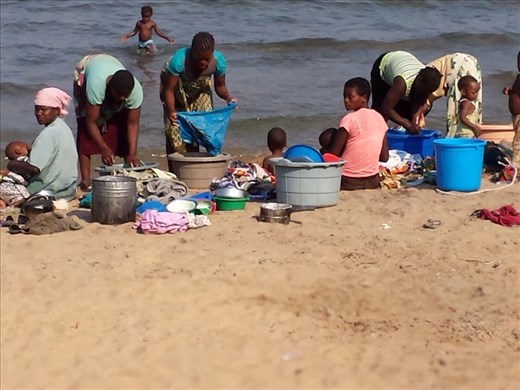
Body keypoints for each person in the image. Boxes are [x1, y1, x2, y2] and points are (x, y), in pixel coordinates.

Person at [73, 54, 143, 190]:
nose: (122, 98)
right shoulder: (96, 86)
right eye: (119, 96)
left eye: (125, 97)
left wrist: (132, 154)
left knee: (120, 124)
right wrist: (103, 148)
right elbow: (90, 122)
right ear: (110, 87)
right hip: (87, 68)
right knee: (84, 130)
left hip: (110, 67)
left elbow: (132, 124)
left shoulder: (136, 92)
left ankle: (126, 170)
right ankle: (85, 180)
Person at [160, 31, 237, 155]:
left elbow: (220, 86)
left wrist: (228, 97)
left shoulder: (218, 62)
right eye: (198, 58)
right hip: (175, 92)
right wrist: (171, 110)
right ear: (192, 53)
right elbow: (168, 90)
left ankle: (204, 164)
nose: (203, 63)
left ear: (212, 54)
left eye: (207, 59)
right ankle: (176, 168)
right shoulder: (179, 61)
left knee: (206, 129)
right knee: (176, 140)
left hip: (199, 90)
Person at [3, 87, 78, 204]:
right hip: (68, 189)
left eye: (44, 109)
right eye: (37, 109)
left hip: (50, 189)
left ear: (57, 111)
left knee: (3, 187)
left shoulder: (47, 134)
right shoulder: (63, 128)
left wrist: (12, 164)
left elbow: (34, 168)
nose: (39, 113)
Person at [324, 77, 389, 191]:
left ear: (363, 98)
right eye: (344, 96)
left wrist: (323, 151)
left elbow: (333, 154)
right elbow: (384, 157)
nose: (346, 100)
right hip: (373, 180)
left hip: (349, 180)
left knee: (326, 143)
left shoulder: (349, 119)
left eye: (350, 97)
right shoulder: (379, 118)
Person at [370, 51, 442, 134]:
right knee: (378, 113)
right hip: (383, 67)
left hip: (404, 63)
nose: (426, 94)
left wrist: (414, 123)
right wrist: (407, 124)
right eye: (424, 91)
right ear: (419, 80)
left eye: (428, 92)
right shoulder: (402, 83)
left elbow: (418, 102)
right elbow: (386, 108)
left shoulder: (427, 83)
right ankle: (375, 135)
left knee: (412, 112)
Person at [426, 53, 482, 137]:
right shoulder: (465, 103)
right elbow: (462, 118)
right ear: (463, 92)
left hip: (465, 133)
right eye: (474, 93)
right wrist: (474, 127)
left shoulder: (462, 101)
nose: (476, 95)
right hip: (465, 134)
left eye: (477, 92)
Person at [503, 50, 520, 166]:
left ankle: (516, 165)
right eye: (519, 62)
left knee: (518, 142)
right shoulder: (519, 77)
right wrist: (510, 92)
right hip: (516, 117)